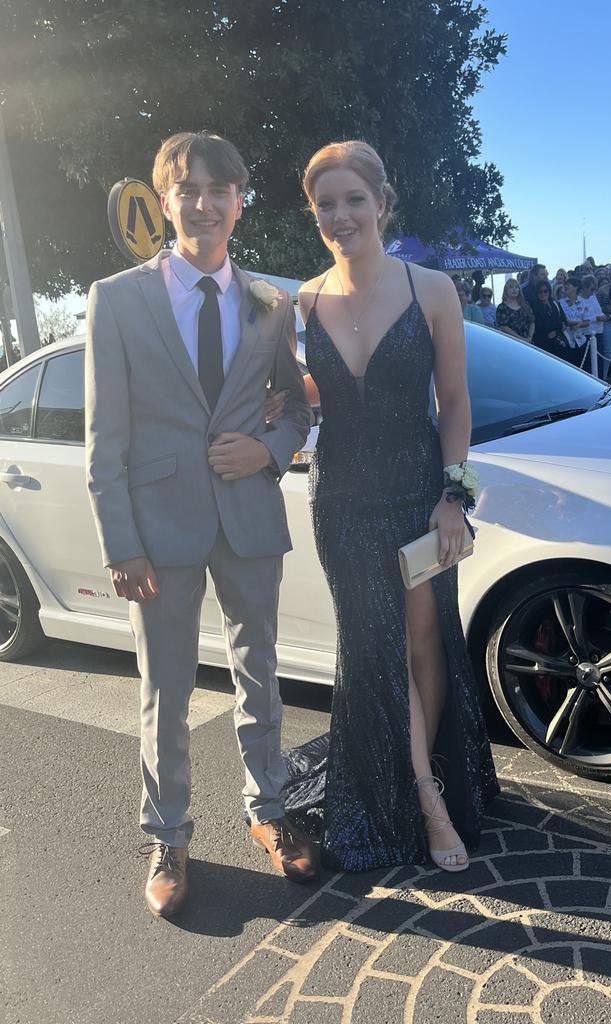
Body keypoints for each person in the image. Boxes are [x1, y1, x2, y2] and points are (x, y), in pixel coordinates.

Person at [85, 132, 317, 917]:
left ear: (239, 203)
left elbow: (298, 408)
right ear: (165, 200)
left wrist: (268, 449)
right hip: (159, 530)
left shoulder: (268, 302)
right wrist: (120, 542)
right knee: (166, 689)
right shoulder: (116, 299)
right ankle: (169, 834)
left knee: (261, 674)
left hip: (250, 517)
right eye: (188, 190)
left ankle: (269, 812)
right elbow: (104, 437)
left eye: (221, 190)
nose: (205, 204)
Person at [290, 140, 498, 873]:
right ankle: (426, 800)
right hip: (341, 497)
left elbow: (458, 401)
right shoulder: (305, 298)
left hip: (418, 494)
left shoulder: (431, 289)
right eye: (326, 204)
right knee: (372, 649)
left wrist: (453, 498)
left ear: (382, 202)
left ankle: (428, 776)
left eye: (353, 199)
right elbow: (305, 397)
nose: (340, 215)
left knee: (423, 642)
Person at [530, 279, 569, 358]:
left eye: (545, 291)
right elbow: (534, 326)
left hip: (558, 343)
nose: (543, 293)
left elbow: (562, 320)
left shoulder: (555, 304)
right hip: (542, 346)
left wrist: (556, 331)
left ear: (549, 291)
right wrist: (546, 335)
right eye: (540, 292)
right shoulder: (532, 307)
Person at [558, 276, 591, 366]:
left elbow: (587, 322)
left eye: (568, 285)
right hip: (566, 341)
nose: (565, 287)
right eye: (565, 285)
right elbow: (561, 320)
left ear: (576, 287)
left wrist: (579, 325)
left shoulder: (584, 303)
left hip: (581, 341)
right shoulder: (560, 303)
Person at [495, 277, 534, 342]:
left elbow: (532, 321)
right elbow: (504, 327)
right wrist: (521, 339)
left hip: (527, 342)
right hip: (511, 342)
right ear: (506, 290)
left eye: (516, 287)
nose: (514, 289)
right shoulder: (501, 308)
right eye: (511, 287)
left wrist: (530, 337)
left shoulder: (525, 305)